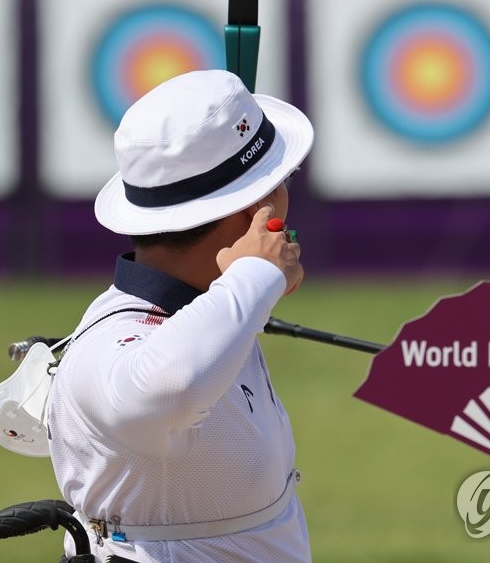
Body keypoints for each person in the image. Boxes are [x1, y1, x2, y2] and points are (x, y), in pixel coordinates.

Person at [46, 69, 314, 563]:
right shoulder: (115, 339)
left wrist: (249, 289)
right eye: (282, 182)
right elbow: (165, 391)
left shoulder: (211, 312)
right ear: (260, 213)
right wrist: (252, 277)